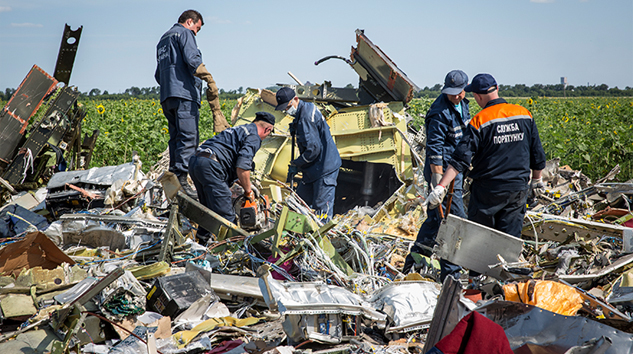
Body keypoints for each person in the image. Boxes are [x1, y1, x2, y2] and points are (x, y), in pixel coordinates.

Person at [427, 73, 546, 240]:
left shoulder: (480, 120)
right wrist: (536, 179)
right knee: (510, 240)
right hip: (517, 189)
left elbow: (460, 159)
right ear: (497, 89)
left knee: (480, 241)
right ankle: (509, 266)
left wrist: (440, 186)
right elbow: (537, 152)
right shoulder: (524, 114)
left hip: (488, 192)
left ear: (477, 96)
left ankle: (478, 267)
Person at [402, 70, 470, 281]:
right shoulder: (439, 112)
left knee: (434, 221)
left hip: (456, 168)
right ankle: (451, 275)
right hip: (442, 173)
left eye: (458, 93)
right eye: (451, 93)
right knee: (452, 221)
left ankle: (414, 262)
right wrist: (437, 183)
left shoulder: (463, 104)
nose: (455, 96)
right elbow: (435, 149)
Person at [155, 9, 230, 198]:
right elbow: (192, 59)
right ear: (190, 22)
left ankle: (173, 178)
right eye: (197, 28)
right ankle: (182, 181)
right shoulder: (185, 33)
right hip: (184, 96)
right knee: (188, 137)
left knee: (175, 138)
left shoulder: (163, 40)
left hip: (167, 96)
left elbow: (158, 74)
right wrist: (208, 79)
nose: (196, 33)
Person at [188, 112, 275, 244]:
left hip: (196, 161)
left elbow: (233, 164)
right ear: (268, 129)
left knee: (208, 209)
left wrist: (247, 184)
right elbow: (242, 168)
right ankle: (233, 251)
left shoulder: (239, 129)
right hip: (211, 166)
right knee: (227, 214)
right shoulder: (254, 137)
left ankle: (202, 243)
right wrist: (248, 192)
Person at [275, 87, 341, 221]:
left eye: (288, 107)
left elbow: (313, 150)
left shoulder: (306, 118)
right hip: (313, 168)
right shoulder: (305, 109)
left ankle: (321, 238)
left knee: (321, 210)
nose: (287, 111)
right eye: (284, 109)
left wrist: (297, 163)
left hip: (324, 168)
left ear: (296, 99)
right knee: (297, 202)